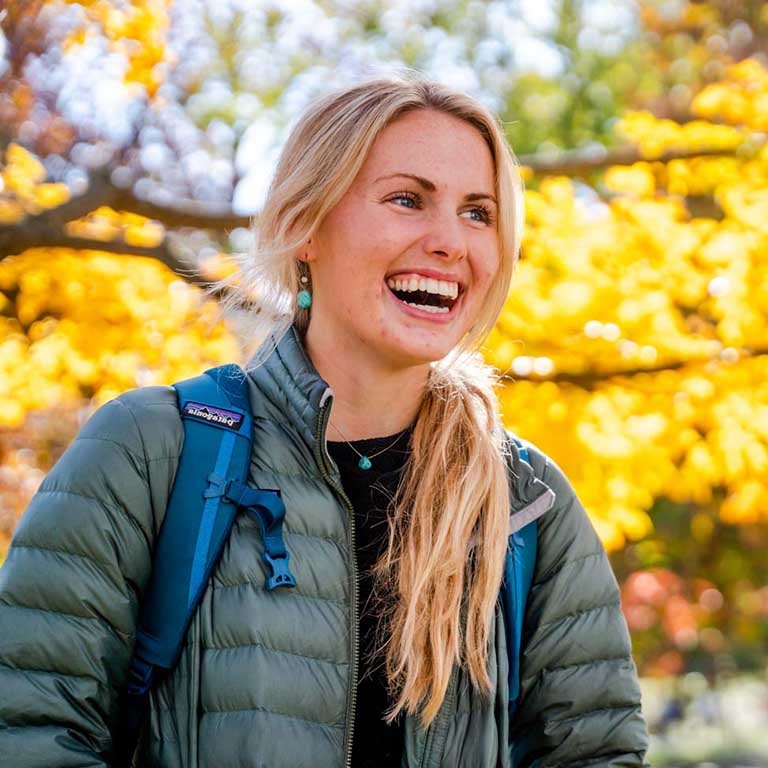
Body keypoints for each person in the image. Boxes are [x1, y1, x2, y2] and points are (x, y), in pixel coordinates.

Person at [0, 77, 649, 767]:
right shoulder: (149, 452)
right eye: (407, 199)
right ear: (306, 225)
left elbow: (596, 754)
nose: (450, 242)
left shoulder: (526, 503)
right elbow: (29, 731)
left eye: (478, 213)